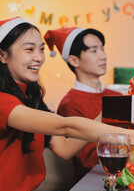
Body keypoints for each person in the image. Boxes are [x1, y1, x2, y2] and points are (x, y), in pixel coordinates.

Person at [0, 17, 134, 191]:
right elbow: (66, 125)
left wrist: (110, 111)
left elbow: (63, 147)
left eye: (41, 49)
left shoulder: (30, 98)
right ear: (2, 55)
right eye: (29, 49)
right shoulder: (3, 101)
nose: (39, 58)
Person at [44, 27, 122, 182]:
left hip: (128, 176)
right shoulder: (70, 103)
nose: (103, 56)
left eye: (102, 49)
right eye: (93, 51)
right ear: (74, 60)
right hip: (93, 182)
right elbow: (87, 160)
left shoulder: (117, 96)